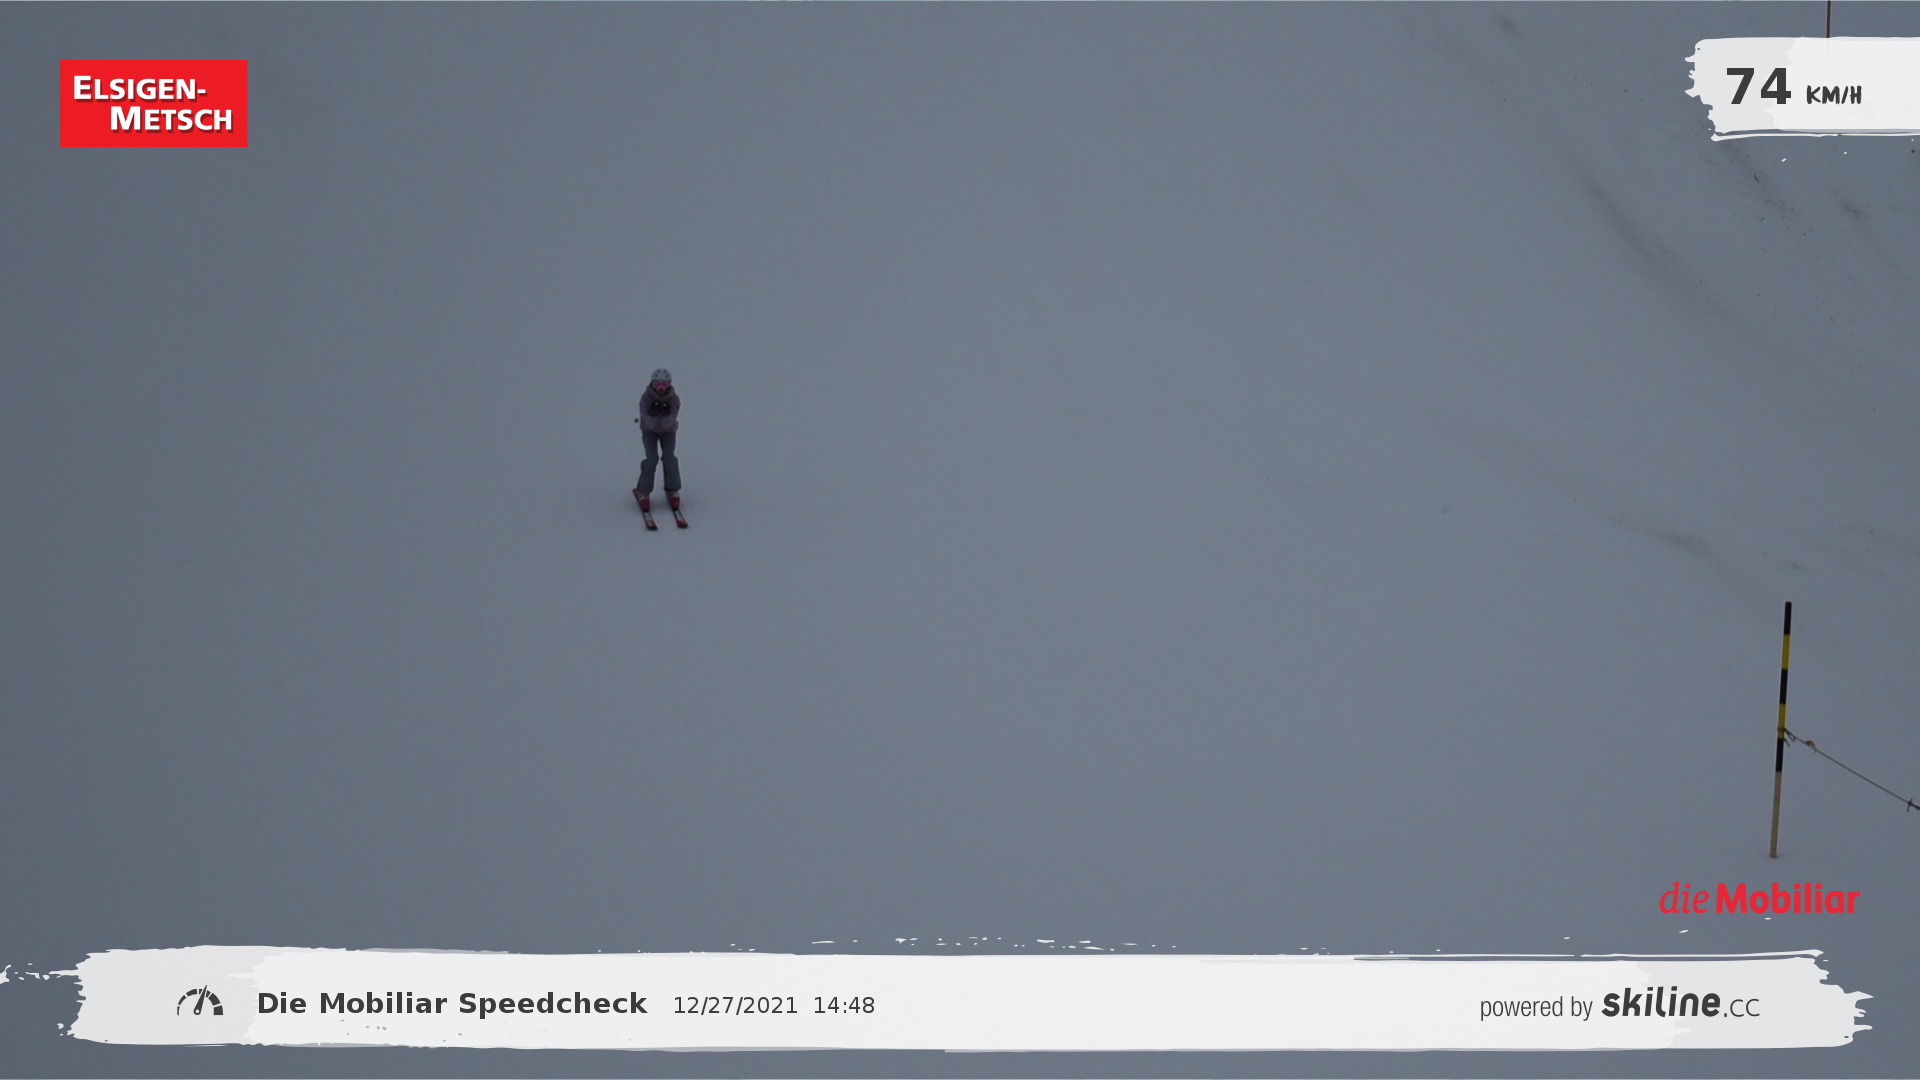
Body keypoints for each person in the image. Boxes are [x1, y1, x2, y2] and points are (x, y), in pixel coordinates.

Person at [634, 369, 681, 512]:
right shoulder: (646, 398)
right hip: (650, 432)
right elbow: (647, 422)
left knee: (669, 457)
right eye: (657, 384)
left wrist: (666, 415)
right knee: (652, 458)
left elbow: (669, 422)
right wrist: (653, 415)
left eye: (664, 384)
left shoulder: (674, 399)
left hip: (668, 431)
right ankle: (644, 491)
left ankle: (672, 488)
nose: (661, 388)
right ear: (652, 385)